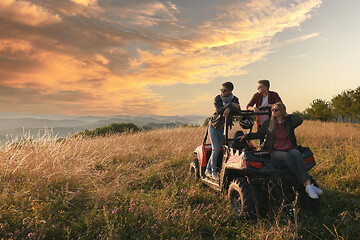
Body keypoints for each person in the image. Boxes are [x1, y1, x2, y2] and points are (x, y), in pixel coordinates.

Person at [238, 102, 323, 199]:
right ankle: (307, 185)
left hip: (289, 149)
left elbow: (299, 120)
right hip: (275, 152)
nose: (273, 111)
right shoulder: (268, 123)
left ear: (282, 111)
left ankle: (308, 186)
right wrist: (246, 136)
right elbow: (259, 134)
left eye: (276, 110)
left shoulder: (288, 123)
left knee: (296, 153)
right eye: (272, 110)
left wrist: (288, 115)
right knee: (287, 156)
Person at [206, 82, 241, 181]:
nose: (221, 92)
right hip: (214, 127)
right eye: (221, 90)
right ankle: (213, 172)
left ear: (230, 91)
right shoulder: (218, 98)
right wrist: (230, 106)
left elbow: (238, 111)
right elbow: (218, 110)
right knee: (216, 148)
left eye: (224, 90)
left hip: (224, 129)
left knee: (219, 149)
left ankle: (207, 169)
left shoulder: (235, 99)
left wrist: (229, 109)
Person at [246, 80, 282, 144]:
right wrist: (253, 108)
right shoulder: (256, 95)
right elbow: (248, 106)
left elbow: (280, 105)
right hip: (260, 122)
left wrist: (267, 105)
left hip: (272, 121)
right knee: (261, 138)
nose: (258, 88)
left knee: (272, 138)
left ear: (265, 88)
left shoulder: (274, 94)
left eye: (259, 87)